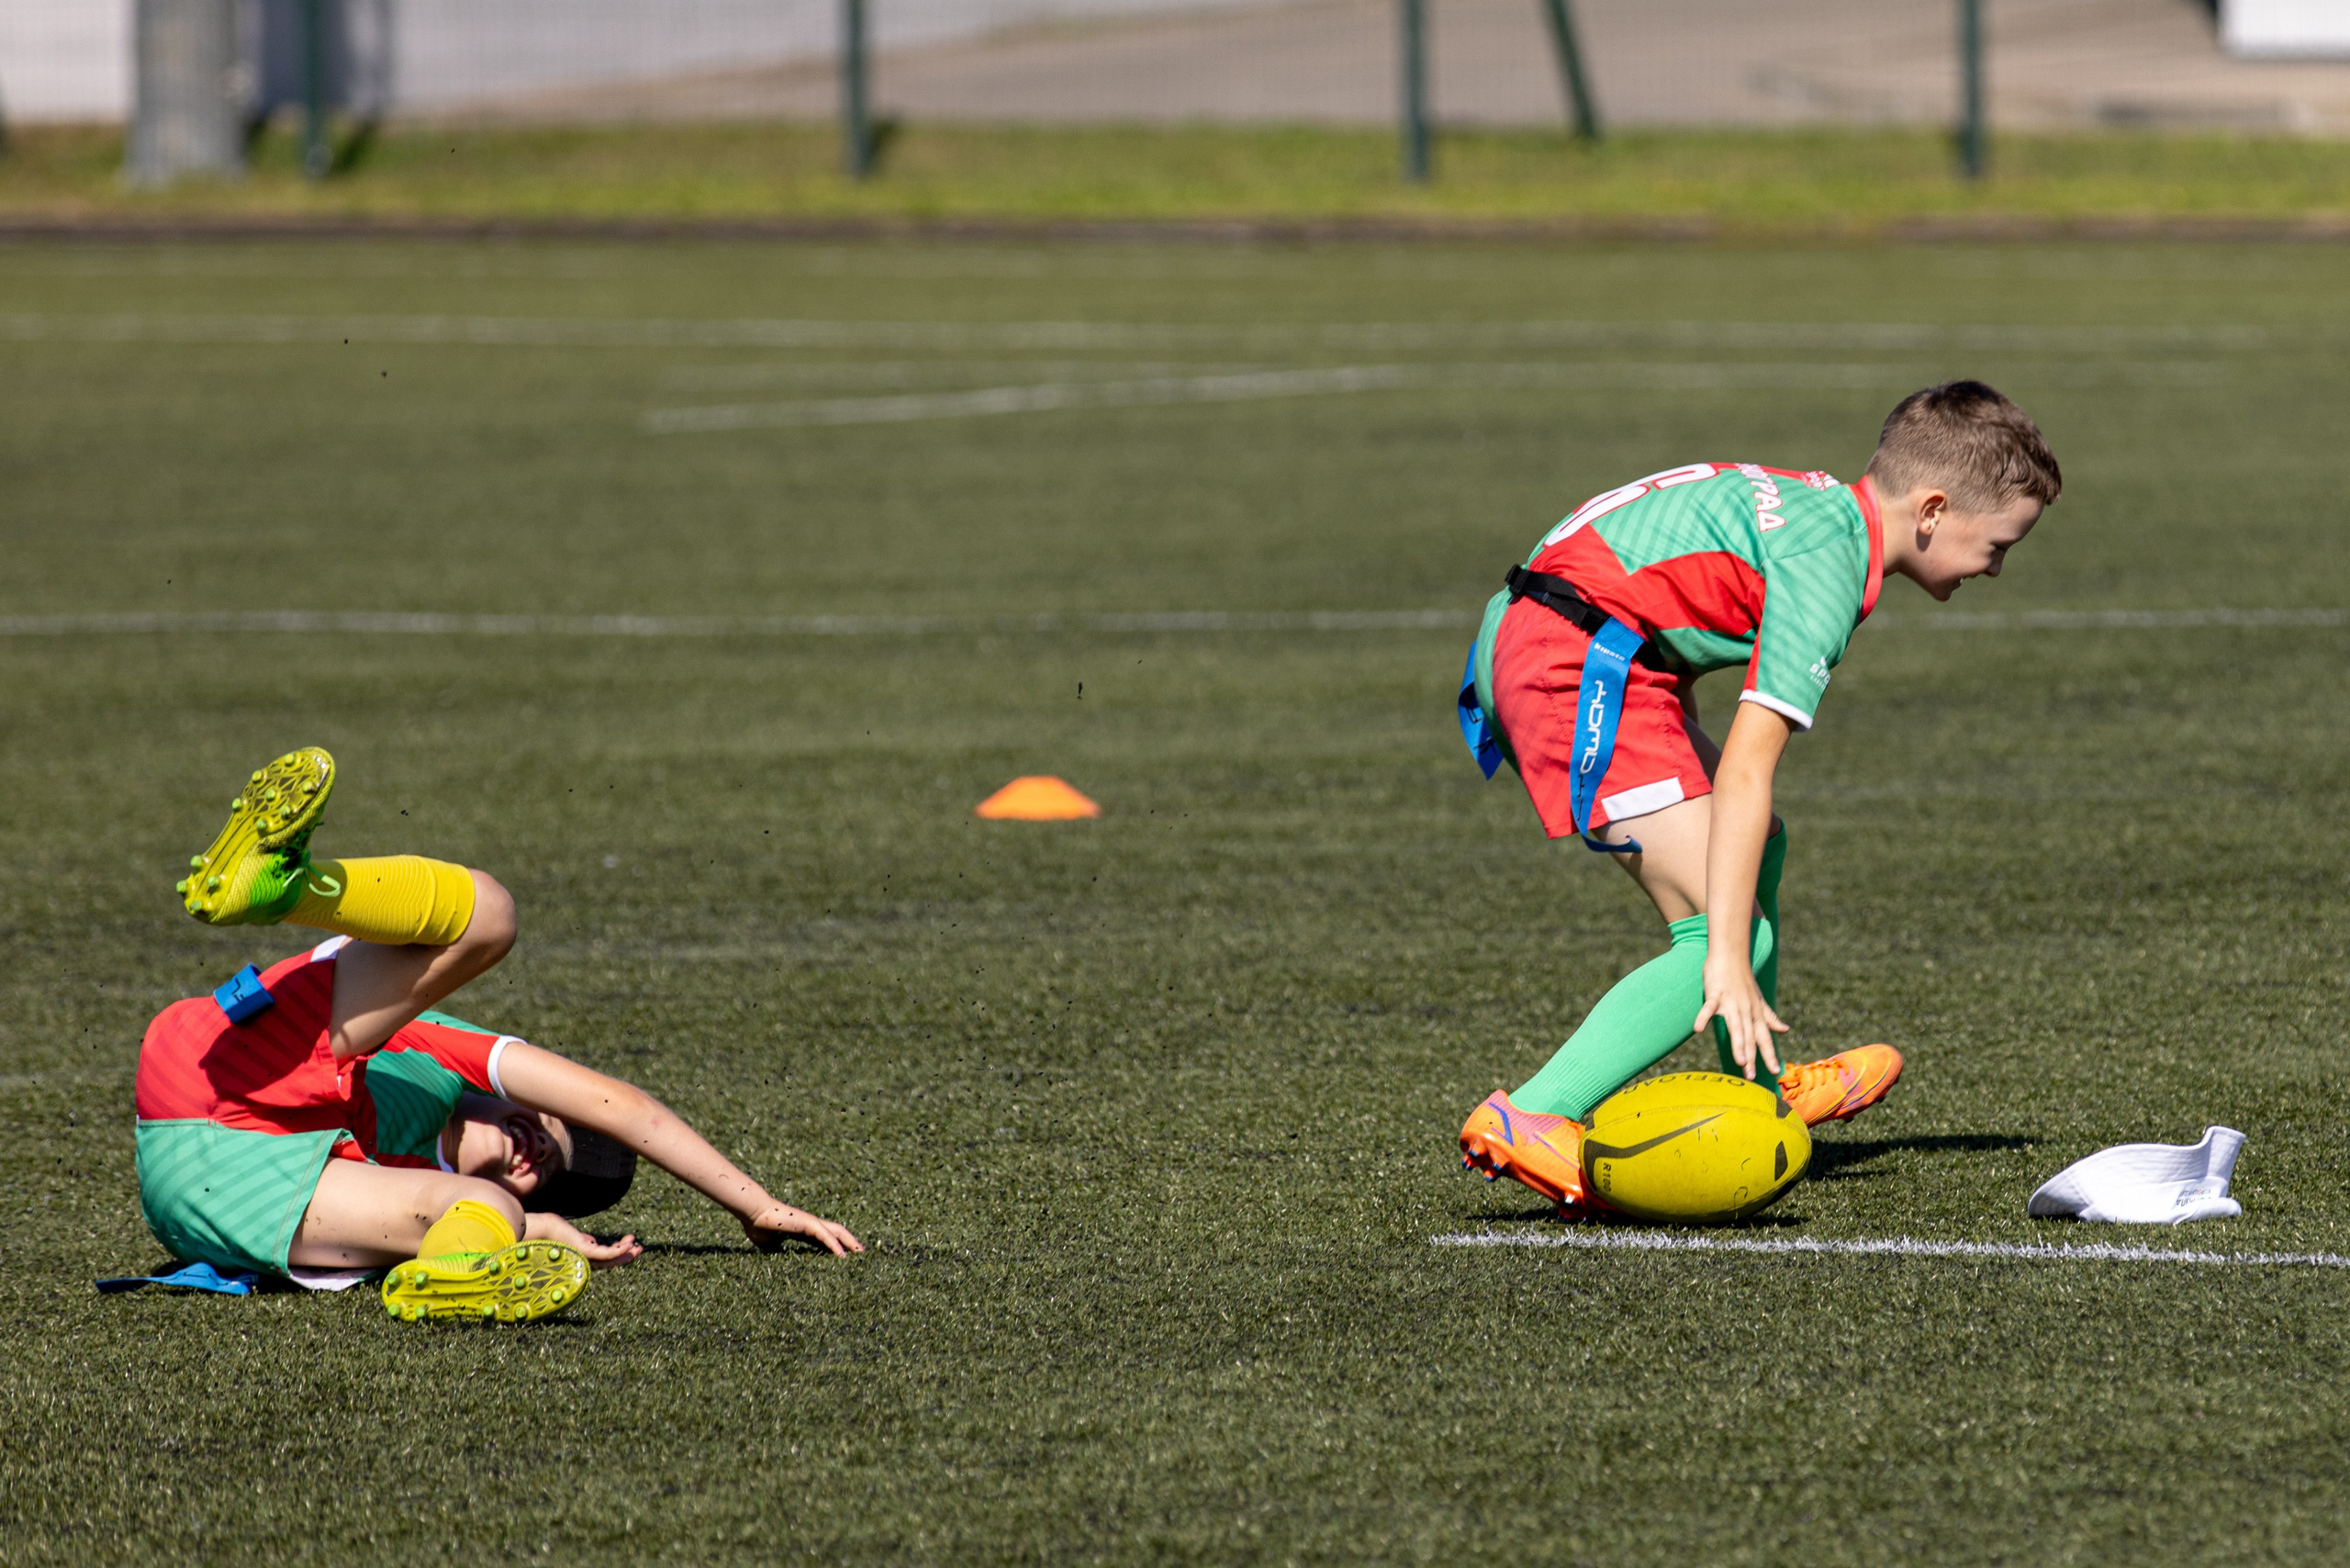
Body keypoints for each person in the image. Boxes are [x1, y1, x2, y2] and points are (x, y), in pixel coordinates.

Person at [1453, 381, 2061, 1212]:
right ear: (1932, 510)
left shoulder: (1825, 512)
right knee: (1724, 930)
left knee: (1758, 844)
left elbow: (1656, 581)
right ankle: (1530, 1113)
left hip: (1579, 639)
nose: (1995, 567)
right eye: (1996, 545)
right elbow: (1746, 767)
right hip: (1571, 664)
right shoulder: (1827, 574)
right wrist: (1730, 961)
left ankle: (1758, 1089)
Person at [139, 746, 861, 1322]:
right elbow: (622, 1106)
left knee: (487, 1212)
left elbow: (501, 1207)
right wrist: (755, 1205)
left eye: (549, 1168)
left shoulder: (444, 1195)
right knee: (490, 913)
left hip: (210, 1187)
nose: (538, 1146)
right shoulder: (438, 1056)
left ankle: (454, 1278)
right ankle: (284, 885)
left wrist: (529, 1225)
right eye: (550, 1126)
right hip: (222, 1057)